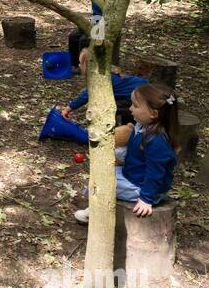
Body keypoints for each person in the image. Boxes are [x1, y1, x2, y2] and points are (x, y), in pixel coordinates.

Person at [75, 83, 178, 224]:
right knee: (101, 172)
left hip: (143, 188)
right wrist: (119, 158)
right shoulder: (141, 126)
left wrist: (146, 199)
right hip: (132, 174)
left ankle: (95, 215)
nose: (130, 109)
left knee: (103, 185)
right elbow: (135, 152)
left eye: (135, 106)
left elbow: (155, 174)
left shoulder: (157, 142)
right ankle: (94, 201)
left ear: (153, 113)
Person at [61, 48, 148, 126]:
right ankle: (125, 126)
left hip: (137, 96)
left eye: (81, 63)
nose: (79, 65)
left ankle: (117, 129)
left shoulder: (100, 78)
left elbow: (86, 95)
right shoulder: (105, 71)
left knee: (104, 108)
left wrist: (69, 108)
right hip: (138, 90)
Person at [69, 0, 114, 75]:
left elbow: (107, 18)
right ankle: (74, 64)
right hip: (96, 23)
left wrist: (95, 28)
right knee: (73, 36)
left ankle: (84, 65)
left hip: (104, 27)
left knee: (84, 40)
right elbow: (96, 15)